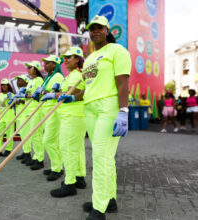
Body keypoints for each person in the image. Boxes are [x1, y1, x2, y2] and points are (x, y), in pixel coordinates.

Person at [58, 16, 131, 219]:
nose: (95, 31)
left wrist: (123, 112)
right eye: (92, 29)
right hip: (90, 108)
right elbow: (87, 89)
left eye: (99, 28)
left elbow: (123, 82)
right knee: (105, 157)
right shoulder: (90, 58)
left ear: (107, 30)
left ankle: (99, 208)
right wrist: (71, 97)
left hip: (108, 106)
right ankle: (109, 199)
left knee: (99, 156)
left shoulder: (118, 51)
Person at [41, 47, 87, 196]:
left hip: (73, 116)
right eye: (64, 57)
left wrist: (53, 95)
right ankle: (79, 177)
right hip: (71, 115)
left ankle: (70, 183)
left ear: (78, 59)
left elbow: (71, 93)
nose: (65, 60)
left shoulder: (77, 75)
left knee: (67, 148)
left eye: (69, 57)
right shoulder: (71, 75)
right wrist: (54, 92)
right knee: (77, 148)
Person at [40, 54, 64, 181]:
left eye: (48, 63)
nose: (45, 65)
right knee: (52, 141)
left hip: (54, 112)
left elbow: (55, 93)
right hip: (47, 111)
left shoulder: (58, 76)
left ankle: (57, 168)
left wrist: (44, 92)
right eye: (45, 62)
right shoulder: (49, 77)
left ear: (54, 65)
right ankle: (56, 166)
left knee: (48, 141)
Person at [22, 61, 44, 170]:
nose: (28, 69)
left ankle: (40, 159)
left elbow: (38, 95)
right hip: (29, 110)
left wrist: (27, 94)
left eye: (30, 67)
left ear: (35, 69)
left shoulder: (39, 80)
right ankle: (36, 157)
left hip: (36, 110)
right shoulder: (31, 81)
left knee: (37, 135)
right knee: (32, 135)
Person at [13, 75, 30, 160]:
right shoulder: (20, 90)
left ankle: (28, 153)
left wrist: (19, 99)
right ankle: (25, 151)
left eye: (19, 80)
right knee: (22, 135)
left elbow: (28, 100)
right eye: (17, 80)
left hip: (26, 114)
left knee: (25, 134)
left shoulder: (27, 89)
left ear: (25, 81)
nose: (17, 82)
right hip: (20, 115)